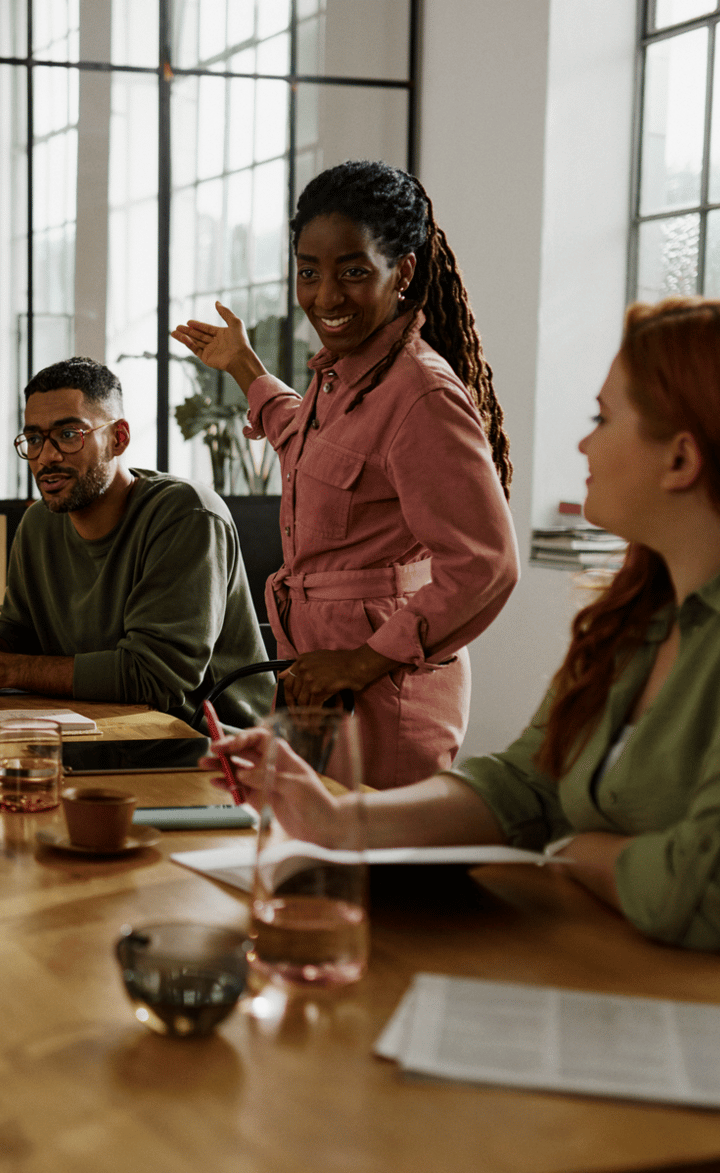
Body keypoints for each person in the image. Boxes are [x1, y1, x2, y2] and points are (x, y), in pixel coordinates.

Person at [212, 298, 720, 998]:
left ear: (682, 458)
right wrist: (332, 817)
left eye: (602, 419)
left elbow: (712, 897)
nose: (584, 446)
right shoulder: (644, 604)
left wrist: (569, 850)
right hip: (638, 980)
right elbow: (529, 784)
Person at [173, 160, 519, 787]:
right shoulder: (343, 373)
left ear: (403, 272)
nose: (326, 297)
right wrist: (244, 366)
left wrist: (364, 661)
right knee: (299, 840)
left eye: (354, 272)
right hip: (315, 679)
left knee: (364, 852)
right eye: (309, 272)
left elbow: (486, 565)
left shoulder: (422, 396)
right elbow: (304, 447)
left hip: (383, 693)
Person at [0, 357, 275, 727]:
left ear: (119, 438)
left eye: (69, 435)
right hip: (92, 726)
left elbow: (155, 678)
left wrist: (6, 669)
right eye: (34, 439)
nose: (47, 457)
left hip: (206, 743)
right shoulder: (39, 522)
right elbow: (19, 636)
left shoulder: (186, 515)